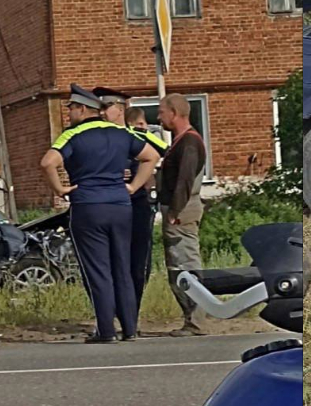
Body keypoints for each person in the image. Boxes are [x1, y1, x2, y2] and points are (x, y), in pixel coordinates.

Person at [40, 84, 160, 344]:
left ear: (83, 109)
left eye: (71, 108)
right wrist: (132, 186)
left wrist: (60, 189)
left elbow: (48, 162)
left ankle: (106, 330)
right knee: (123, 267)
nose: (69, 113)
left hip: (88, 207)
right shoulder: (120, 133)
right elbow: (151, 156)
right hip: (120, 205)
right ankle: (130, 328)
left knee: (98, 269)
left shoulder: (73, 135)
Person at [157, 93, 208, 336]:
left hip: (182, 210)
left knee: (185, 263)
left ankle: (196, 320)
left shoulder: (188, 142)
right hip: (180, 208)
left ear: (174, 113)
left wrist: (174, 211)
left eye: (161, 112)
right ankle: (192, 318)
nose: (159, 117)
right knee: (178, 263)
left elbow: (185, 179)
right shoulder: (182, 141)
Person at [125, 105, 168, 312]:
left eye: (143, 125)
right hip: (134, 199)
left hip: (137, 200)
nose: (143, 128)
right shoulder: (132, 136)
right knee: (137, 258)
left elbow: (162, 150)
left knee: (136, 257)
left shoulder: (137, 138)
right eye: (139, 125)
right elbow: (162, 149)